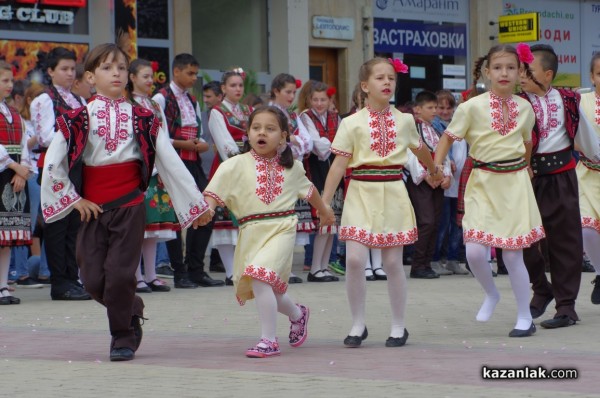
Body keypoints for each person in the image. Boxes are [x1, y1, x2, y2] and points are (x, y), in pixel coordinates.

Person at [41, 43, 212, 361]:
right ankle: (131, 308)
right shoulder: (76, 118)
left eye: (121, 67)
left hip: (130, 204)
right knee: (92, 280)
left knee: (120, 275)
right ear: (90, 76)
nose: (116, 73)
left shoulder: (144, 118)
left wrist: (195, 206)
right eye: (107, 67)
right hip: (92, 208)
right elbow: (54, 163)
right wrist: (72, 199)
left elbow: (170, 161)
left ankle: (122, 338)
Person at [322, 57, 442, 347]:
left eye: (391, 77)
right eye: (379, 78)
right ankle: (357, 324)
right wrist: (324, 203)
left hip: (393, 192)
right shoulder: (350, 123)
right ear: (365, 86)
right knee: (353, 260)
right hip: (361, 192)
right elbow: (338, 165)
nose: (387, 82)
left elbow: (419, 148)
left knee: (391, 262)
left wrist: (433, 169)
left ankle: (399, 326)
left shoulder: (405, 120)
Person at [201, 105, 335, 358]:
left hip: (282, 228)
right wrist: (207, 211)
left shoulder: (293, 167)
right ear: (248, 133)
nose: (262, 133)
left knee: (261, 279)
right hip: (250, 231)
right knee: (270, 289)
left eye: (270, 129)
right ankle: (298, 314)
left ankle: (268, 340)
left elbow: (309, 191)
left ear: (283, 137)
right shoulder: (233, 166)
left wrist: (325, 211)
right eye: (256, 128)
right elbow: (213, 193)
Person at [434, 43, 544, 337]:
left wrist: (527, 166)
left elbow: (527, 143)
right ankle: (492, 293)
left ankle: (524, 317)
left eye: (511, 67)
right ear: (487, 71)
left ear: (520, 72)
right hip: (482, 181)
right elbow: (447, 138)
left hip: (514, 183)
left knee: (512, 255)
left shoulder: (525, 107)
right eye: (498, 68)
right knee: (474, 252)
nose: (504, 73)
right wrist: (437, 166)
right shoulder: (471, 107)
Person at [518, 44, 583, 329]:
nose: (521, 75)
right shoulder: (518, 103)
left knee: (565, 242)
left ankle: (566, 307)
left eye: (527, 71)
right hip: (527, 178)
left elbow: (586, 135)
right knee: (524, 241)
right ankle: (541, 287)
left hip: (562, 175)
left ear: (547, 75)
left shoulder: (568, 100)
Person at [153, 53, 222, 288]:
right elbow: (158, 136)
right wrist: (184, 144)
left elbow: (200, 134)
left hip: (192, 162)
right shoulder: (161, 99)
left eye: (195, 73)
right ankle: (179, 272)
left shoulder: (192, 101)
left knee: (205, 210)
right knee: (174, 217)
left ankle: (196, 269)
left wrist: (201, 144)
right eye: (190, 73)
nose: (194, 78)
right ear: (176, 72)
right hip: (173, 163)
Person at [30, 46, 90, 300]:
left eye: (71, 69)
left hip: (76, 165)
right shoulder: (43, 100)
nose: (69, 73)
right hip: (54, 166)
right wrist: (75, 138)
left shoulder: (79, 100)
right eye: (63, 69)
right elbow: (44, 136)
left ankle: (71, 278)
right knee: (56, 224)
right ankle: (59, 282)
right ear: (51, 71)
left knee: (74, 225)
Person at [127, 58, 174, 293]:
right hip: (137, 168)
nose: (149, 81)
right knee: (137, 226)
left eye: (150, 76)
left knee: (153, 226)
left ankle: (152, 274)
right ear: (132, 77)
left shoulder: (155, 105)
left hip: (156, 169)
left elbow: (163, 138)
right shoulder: (127, 103)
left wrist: (165, 168)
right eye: (144, 76)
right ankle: (136, 277)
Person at [208, 69, 252, 286]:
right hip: (229, 166)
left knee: (244, 218)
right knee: (225, 221)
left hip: (250, 164)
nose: (237, 89)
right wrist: (240, 163)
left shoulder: (248, 110)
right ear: (223, 88)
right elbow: (225, 143)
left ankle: (242, 267)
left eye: (240, 85)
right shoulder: (217, 112)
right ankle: (229, 272)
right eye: (233, 85)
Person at [269, 73, 313, 284]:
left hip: (290, 171)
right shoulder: (268, 113)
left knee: (288, 221)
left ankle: (286, 268)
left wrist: (292, 141)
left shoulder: (293, 116)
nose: (291, 96)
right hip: (273, 171)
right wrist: (292, 141)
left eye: (294, 92)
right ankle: (275, 268)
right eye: (288, 92)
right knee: (275, 220)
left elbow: (308, 144)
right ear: (276, 91)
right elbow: (274, 143)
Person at [406, 90, 452, 278]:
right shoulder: (412, 129)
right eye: (430, 107)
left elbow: (443, 154)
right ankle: (417, 265)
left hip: (436, 180)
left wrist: (446, 175)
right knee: (426, 222)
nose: (434, 111)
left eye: (435, 107)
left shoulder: (436, 129)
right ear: (417, 109)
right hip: (421, 182)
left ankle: (427, 263)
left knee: (435, 223)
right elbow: (409, 155)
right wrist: (427, 176)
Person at [299, 81, 343, 282]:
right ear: (308, 99)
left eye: (323, 99)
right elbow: (317, 146)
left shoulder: (336, 117)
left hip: (334, 169)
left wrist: (333, 145)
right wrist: (335, 144)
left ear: (330, 100)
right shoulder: (305, 117)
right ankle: (315, 268)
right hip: (315, 170)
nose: (319, 103)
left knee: (332, 223)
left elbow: (343, 141)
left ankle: (323, 267)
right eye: (315, 99)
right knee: (322, 221)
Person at [0, 61, 33, 304]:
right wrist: (14, 166)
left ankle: (2, 286)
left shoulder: (13, 114)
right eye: (4, 81)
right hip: (4, 172)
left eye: (11, 80)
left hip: (14, 177)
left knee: (6, 238)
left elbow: (25, 143)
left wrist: (22, 171)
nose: (10, 85)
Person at [575, 53, 600, 306]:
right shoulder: (581, 102)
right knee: (586, 230)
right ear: (592, 77)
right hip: (586, 174)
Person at [200, 80, 226, 275]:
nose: (206, 100)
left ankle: (217, 260)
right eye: (205, 96)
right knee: (213, 211)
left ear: (219, 96)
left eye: (209, 96)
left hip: (216, 165)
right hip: (208, 165)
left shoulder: (221, 113)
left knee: (221, 212)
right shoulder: (207, 114)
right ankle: (210, 261)